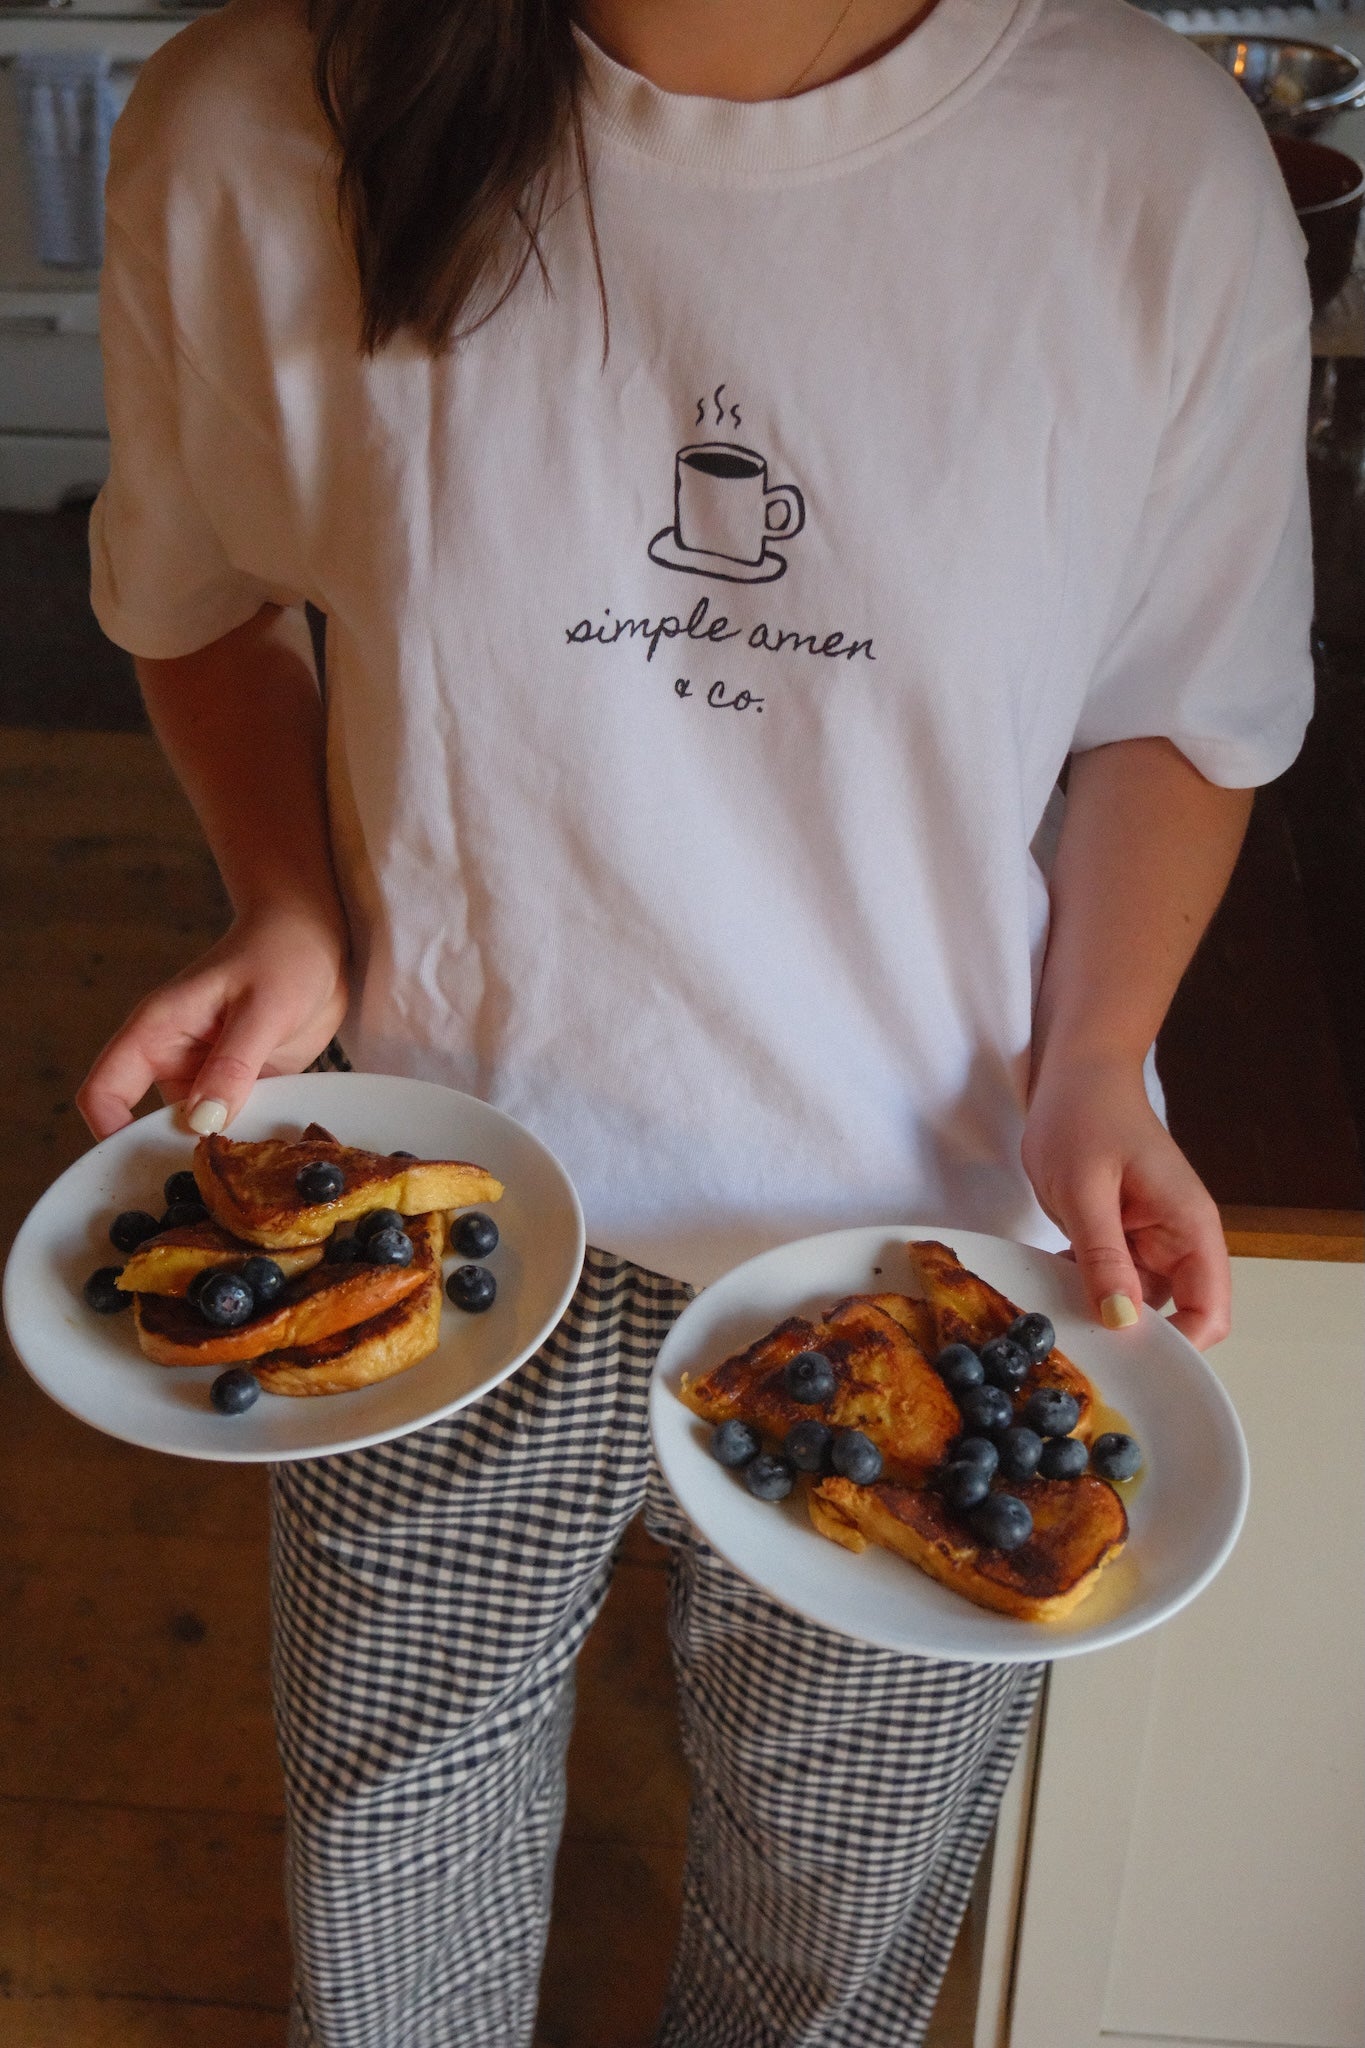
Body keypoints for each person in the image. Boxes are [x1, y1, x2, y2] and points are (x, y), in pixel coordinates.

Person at [76, 0, 1314, 2037]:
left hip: (930, 1239)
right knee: (395, 1843)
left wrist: (1097, 1053)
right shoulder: (259, 117)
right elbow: (197, 588)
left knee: (832, 1919)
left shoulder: (1146, 162)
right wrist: (287, 895)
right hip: (452, 1217)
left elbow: (1179, 700)